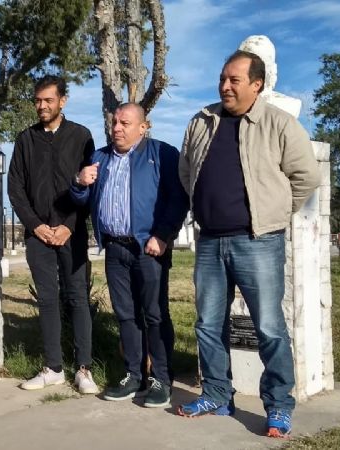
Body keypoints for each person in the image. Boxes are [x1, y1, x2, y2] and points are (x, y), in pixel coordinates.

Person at [176, 50, 319, 438]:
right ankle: (218, 394)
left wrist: (274, 211)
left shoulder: (279, 124)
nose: (225, 86)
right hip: (209, 241)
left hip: (258, 241)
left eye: (234, 80)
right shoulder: (202, 121)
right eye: (222, 78)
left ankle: (277, 406)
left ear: (256, 85)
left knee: (269, 327)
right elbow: (186, 171)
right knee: (208, 325)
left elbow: (306, 176)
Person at [71, 103, 188, 407]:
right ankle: (133, 375)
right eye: (114, 123)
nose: (117, 128)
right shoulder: (100, 157)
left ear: (143, 127)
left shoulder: (162, 154)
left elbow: (178, 200)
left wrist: (162, 236)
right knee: (126, 315)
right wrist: (80, 183)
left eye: (125, 123)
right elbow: (83, 200)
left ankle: (161, 379)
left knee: (154, 314)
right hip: (115, 248)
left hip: (148, 248)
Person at [7, 75, 98, 394]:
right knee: (47, 299)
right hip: (38, 235)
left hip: (69, 233)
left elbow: (90, 185)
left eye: (48, 100)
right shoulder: (25, 139)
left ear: (63, 100)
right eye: (37, 100)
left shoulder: (81, 136)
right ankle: (53, 368)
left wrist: (69, 225)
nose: (42, 106)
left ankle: (84, 369)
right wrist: (35, 225)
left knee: (77, 298)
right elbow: (15, 188)